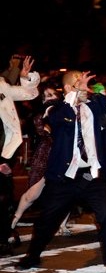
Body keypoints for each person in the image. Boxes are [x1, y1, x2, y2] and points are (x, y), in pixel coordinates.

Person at [15, 62, 106, 273]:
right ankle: (32, 256)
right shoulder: (57, 107)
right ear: (69, 88)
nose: (86, 86)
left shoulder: (97, 103)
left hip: (92, 176)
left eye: (87, 82)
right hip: (64, 177)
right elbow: (58, 120)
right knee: (46, 220)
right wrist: (74, 98)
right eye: (79, 82)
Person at [0, 55, 40, 256]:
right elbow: (28, 94)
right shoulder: (2, 86)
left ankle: (4, 234)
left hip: (3, 151)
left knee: (5, 194)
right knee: (3, 194)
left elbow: (28, 93)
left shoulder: (2, 86)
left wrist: (24, 77)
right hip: (2, 153)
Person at [11, 81, 62, 230]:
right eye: (46, 96)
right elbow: (47, 134)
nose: (50, 98)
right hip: (46, 156)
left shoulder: (65, 111)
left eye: (52, 94)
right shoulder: (41, 116)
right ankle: (14, 219)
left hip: (63, 156)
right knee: (32, 194)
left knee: (66, 193)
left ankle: (62, 224)